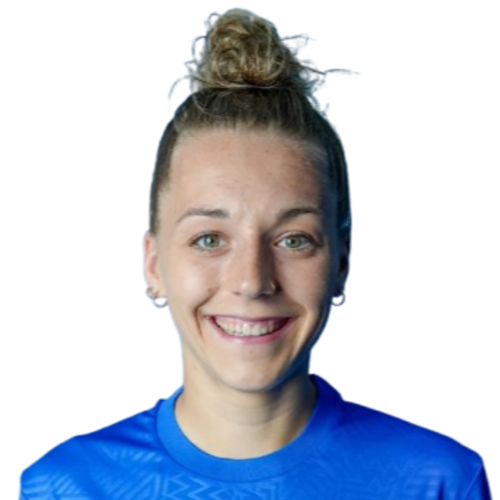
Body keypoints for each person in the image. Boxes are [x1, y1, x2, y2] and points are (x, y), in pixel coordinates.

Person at [16, 6, 494, 499]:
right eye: (209, 239)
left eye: (293, 240)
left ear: (342, 264)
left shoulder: (438, 482)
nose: (252, 281)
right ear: (153, 265)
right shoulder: (62, 487)